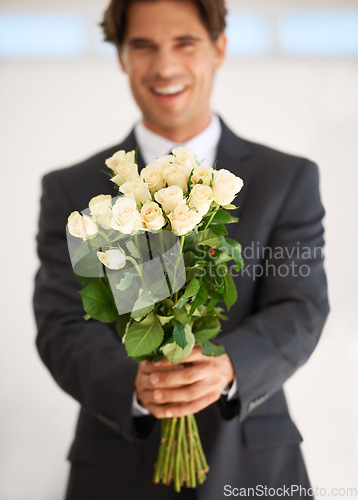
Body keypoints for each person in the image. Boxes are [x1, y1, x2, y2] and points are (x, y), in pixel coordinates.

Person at [33, 1, 329, 499]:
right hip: (117, 467)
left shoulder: (287, 179)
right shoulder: (75, 190)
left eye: (184, 43)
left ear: (219, 48)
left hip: (255, 464)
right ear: (123, 57)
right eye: (143, 46)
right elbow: (63, 321)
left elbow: (300, 305)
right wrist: (135, 384)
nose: (165, 67)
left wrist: (229, 365)